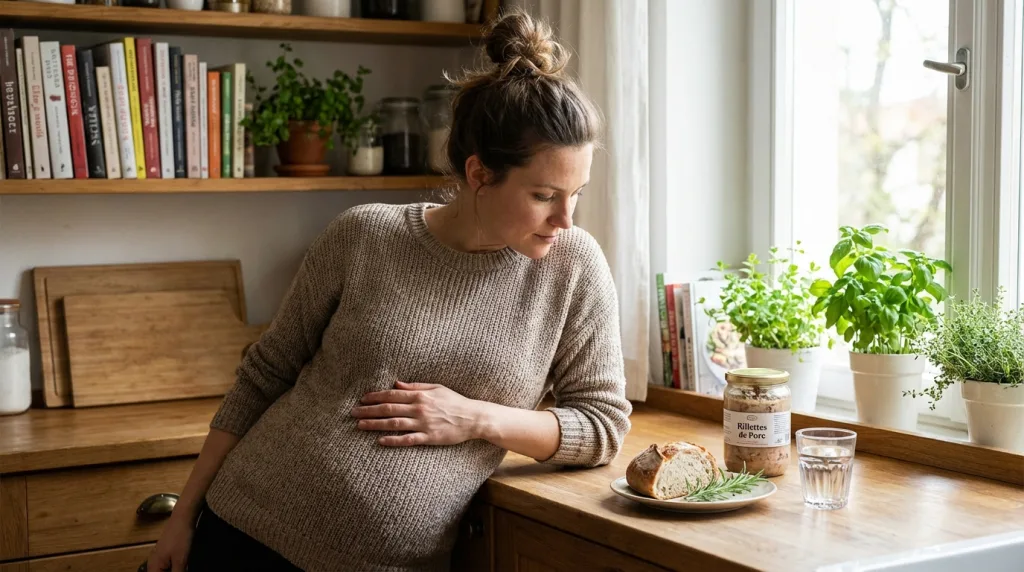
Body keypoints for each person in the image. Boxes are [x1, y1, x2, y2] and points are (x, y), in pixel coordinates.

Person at [147, 9, 632, 572]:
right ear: (479, 175)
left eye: (577, 193)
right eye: (545, 195)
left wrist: (476, 418)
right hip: (241, 530)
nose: (565, 219)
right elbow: (265, 374)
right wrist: (184, 516)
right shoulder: (364, 233)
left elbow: (602, 426)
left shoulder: (574, 267)